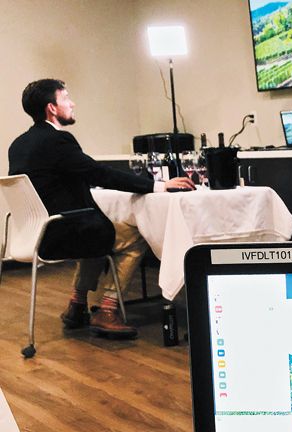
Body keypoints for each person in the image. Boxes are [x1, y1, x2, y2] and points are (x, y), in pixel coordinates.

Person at [7, 79, 194, 338]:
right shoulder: (58, 141)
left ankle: (77, 304)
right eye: (66, 98)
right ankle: (107, 309)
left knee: (97, 232)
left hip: (35, 234)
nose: (72, 103)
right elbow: (99, 173)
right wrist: (159, 186)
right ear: (52, 108)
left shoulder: (18, 144)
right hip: (60, 234)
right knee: (135, 235)